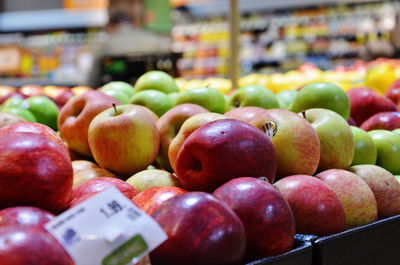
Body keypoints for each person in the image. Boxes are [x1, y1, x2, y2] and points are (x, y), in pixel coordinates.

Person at [86, 11, 172, 88]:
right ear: (131, 23)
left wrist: (89, 88)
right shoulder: (153, 40)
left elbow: (94, 77)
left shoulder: (106, 45)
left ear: (111, 25)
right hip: (153, 87)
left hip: (117, 91)